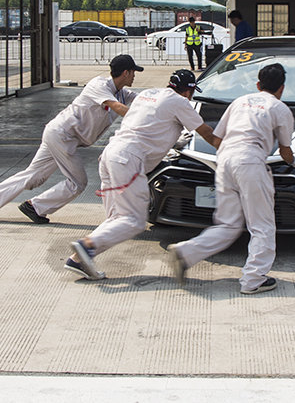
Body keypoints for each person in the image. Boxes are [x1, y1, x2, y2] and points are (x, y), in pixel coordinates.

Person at [166, 64, 295, 295]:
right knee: (262, 226)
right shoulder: (280, 108)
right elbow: (285, 151)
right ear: (282, 88)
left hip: (224, 160)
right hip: (251, 163)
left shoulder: (239, 102)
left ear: (258, 84)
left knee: (228, 225)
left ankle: (185, 252)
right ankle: (253, 280)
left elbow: (217, 138)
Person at [66, 69, 219, 280]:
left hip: (111, 155)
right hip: (128, 161)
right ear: (188, 91)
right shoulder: (180, 102)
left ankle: (77, 259)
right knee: (134, 221)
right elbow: (207, 133)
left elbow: (148, 124)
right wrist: (229, 149)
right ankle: (86, 246)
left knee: (117, 219)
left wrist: (173, 141)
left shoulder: (148, 94)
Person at [0, 54, 145, 224]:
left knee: (33, 175)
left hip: (61, 136)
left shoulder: (122, 93)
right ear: (126, 73)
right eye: (133, 72)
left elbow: (143, 100)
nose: (135, 76)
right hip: (62, 135)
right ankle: (36, 206)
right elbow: (117, 107)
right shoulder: (99, 85)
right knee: (78, 183)